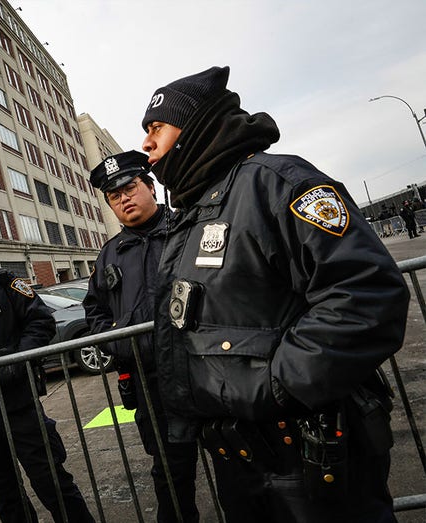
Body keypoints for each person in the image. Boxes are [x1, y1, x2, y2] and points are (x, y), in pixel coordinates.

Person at [139, 65, 409, 522]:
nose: (146, 143)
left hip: (307, 452)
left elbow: (367, 293)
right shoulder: (194, 213)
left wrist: (278, 384)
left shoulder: (275, 181)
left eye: (157, 127)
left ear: (196, 125)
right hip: (241, 459)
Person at [83, 150, 199, 523]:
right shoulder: (109, 255)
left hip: (207, 369)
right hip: (152, 383)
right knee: (169, 471)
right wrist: (118, 341)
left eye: (130, 188)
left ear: (150, 187)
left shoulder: (190, 230)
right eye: (114, 197)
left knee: (239, 464)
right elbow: (95, 311)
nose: (124, 199)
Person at [0, 258, 95, 523]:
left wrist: (17, 361)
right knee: (5, 496)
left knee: (52, 483)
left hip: (18, 405)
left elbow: (41, 321)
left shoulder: (2, 282)